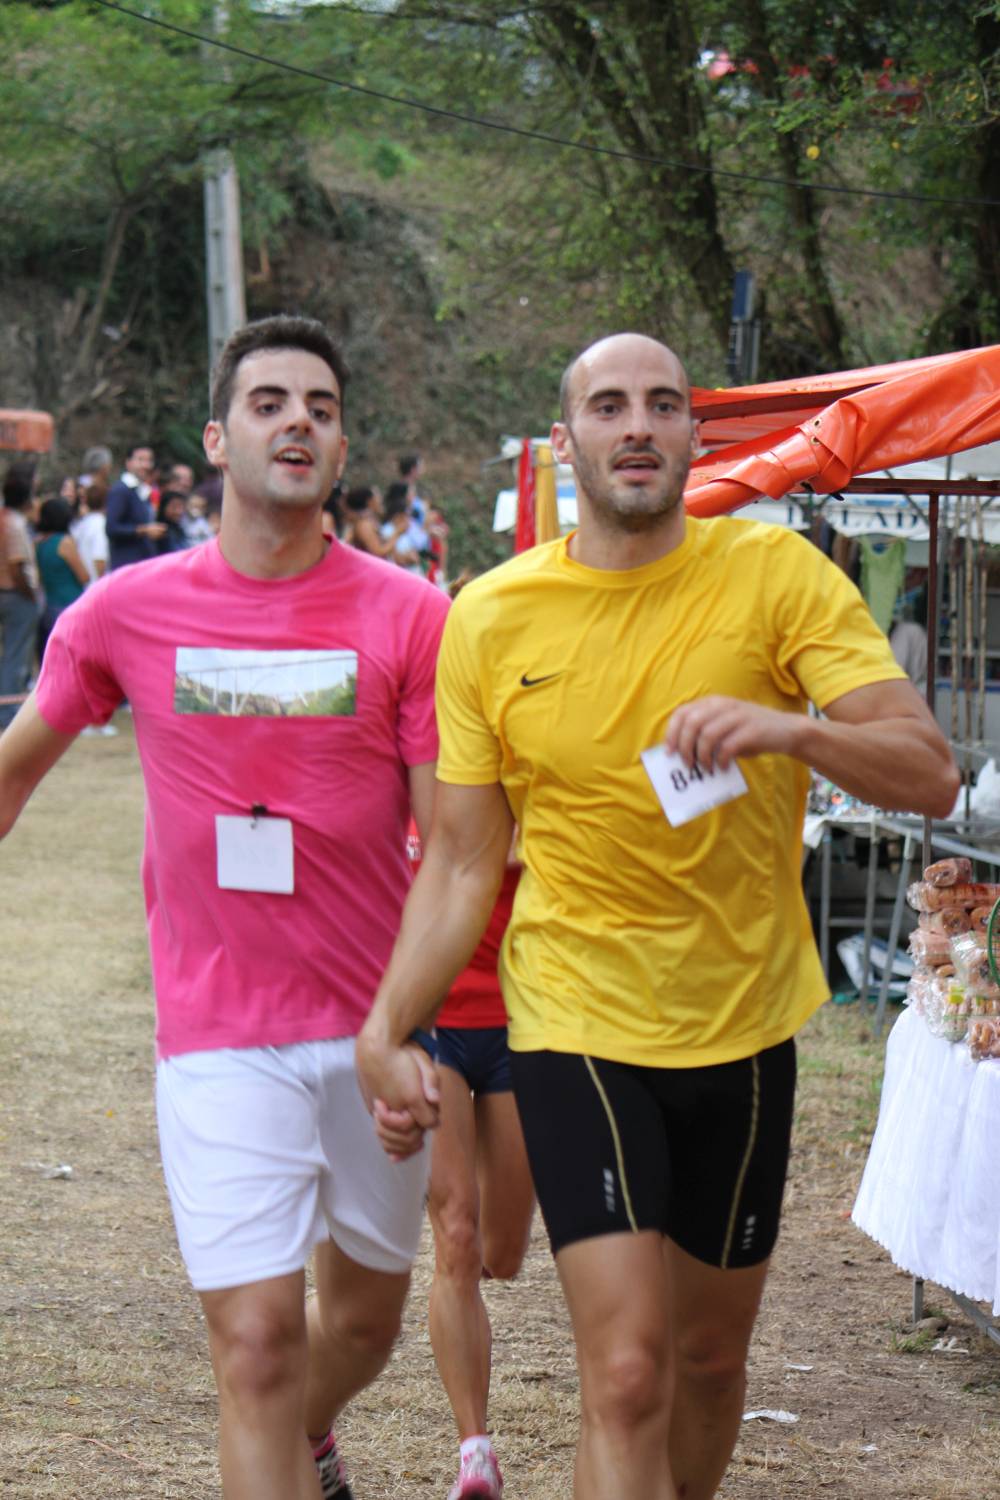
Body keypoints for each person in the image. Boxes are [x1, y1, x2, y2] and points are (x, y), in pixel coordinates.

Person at [355, 332, 960, 1500]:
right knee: (627, 1374)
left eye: (663, 404)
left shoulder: (776, 578)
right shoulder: (491, 616)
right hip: (574, 1019)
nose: (636, 424)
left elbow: (927, 771)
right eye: (608, 405)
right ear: (565, 440)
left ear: (692, 434)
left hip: (741, 1023)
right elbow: (463, 863)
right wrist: (387, 1029)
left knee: (706, 1362)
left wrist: (792, 730)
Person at [0, 314, 450, 1500]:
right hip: (217, 1034)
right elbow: (13, 774)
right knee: (254, 1348)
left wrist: (408, 1025)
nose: (297, 420)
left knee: (362, 1326)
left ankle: (314, 1435)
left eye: (320, 408)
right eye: (268, 402)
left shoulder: (411, 615)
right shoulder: (123, 612)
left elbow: (452, 845)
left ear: (340, 447)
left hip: (374, 1027)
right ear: (216, 439)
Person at [426, 851, 534, 1500]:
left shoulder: (531, 793)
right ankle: (475, 1453)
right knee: (457, 1238)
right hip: (432, 1022)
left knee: (502, 1252)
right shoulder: (414, 797)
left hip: (522, 1021)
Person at [0, 462, 41, 729]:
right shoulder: (13, 524)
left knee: (11, 651)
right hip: (16, 594)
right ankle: (7, 711)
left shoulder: (5, 519)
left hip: (7, 592)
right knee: (16, 653)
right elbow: (16, 564)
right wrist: (29, 593)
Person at [33, 497, 89, 662]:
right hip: (70, 603)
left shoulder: (38, 543)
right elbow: (84, 576)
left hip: (50, 604)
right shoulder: (65, 543)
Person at [105, 442, 166, 568]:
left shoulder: (142, 491)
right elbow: (111, 528)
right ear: (128, 463)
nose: (146, 465)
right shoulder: (121, 490)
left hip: (143, 563)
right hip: (127, 565)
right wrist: (144, 530)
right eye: (140, 460)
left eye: (149, 460)